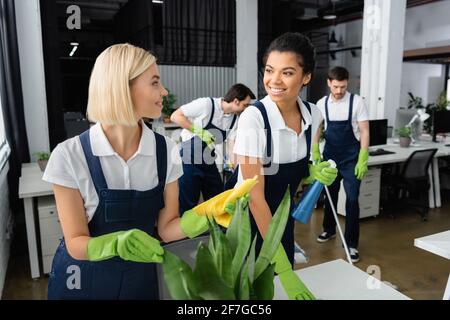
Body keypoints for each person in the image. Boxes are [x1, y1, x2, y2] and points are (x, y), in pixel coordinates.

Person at [42, 44, 233, 300]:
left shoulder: (165, 151)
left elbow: (167, 228)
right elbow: (76, 242)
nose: (164, 91)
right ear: (122, 87)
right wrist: (114, 244)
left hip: (140, 281)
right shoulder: (69, 156)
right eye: (155, 83)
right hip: (82, 283)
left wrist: (206, 213)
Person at [233, 32, 338, 265]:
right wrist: (277, 257)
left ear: (307, 77)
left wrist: (312, 174)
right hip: (248, 222)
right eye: (269, 70)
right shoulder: (255, 117)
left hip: (282, 221)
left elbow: (295, 174)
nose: (274, 80)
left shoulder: (314, 115)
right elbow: (255, 197)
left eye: (287, 73)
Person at [313, 66, 370, 263]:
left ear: (347, 84)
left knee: (352, 200)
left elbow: (364, 131)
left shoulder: (357, 102)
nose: (339, 91)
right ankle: (329, 229)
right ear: (329, 83)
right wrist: (315, 153)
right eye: (336, 87)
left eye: (343, 87)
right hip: (330, 157)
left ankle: (352, 244)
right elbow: (317, 130)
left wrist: (363, 157)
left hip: (352, 158)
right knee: (330, 196)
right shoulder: (321, 104)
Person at [170, 84, 255, 214]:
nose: (246, 108)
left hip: (208, 159)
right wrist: (198, 131)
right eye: (245, 105)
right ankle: (183, 233)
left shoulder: (234, 120)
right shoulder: (206, 104)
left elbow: (232, 146)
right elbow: (175, 116)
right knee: (188, 199)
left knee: (216, 197)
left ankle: (217, 231)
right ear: (236, 101)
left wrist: (237, 169)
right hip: (189, 157)